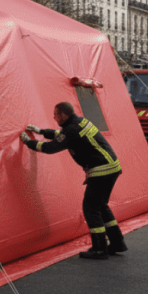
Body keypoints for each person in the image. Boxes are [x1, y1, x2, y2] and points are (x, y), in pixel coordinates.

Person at [21, 101, 127, 260]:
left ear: (64, 115)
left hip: (101, 170)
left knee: (90, 208)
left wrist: (28, 142)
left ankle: (100, 249)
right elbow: (62, 135)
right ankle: (117, 242)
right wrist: (41, 131)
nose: (54, 117)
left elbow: (51, 147)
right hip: (111, 167)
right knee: (100, 205)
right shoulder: (79, 122)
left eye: (56, 115)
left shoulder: (72, 130)